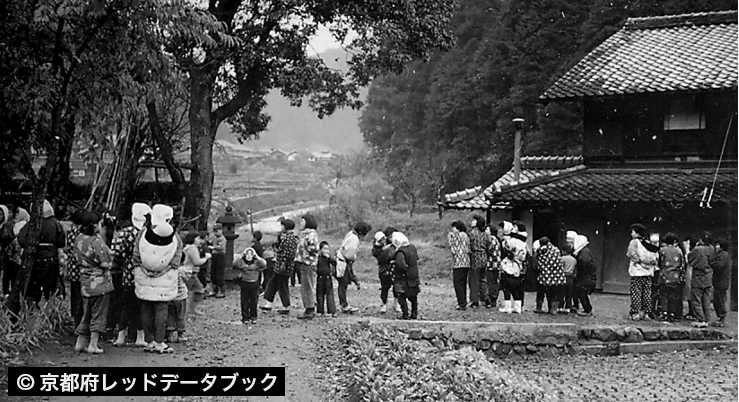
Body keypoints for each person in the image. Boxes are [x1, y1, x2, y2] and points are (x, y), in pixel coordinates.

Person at [133, 205, 182, 354]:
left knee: (146, 307)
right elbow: (176, 260)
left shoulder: (142, 234)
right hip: (165, 279)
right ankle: (160, 342)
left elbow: (136, 256)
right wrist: (163, 270)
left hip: (144, 277)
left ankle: (149, 341)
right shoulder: (174, 237)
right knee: (161, 309)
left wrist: (145, 270)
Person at [73, 211, 114, 354]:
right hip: (100, 283)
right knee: (99, 314)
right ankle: (93, 344)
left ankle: (80, 342)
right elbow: (106, 261)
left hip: (84, 282)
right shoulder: (97, 242)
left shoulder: (78, 239)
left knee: (86, 313)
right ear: (95, 225)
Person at [110, 203, 150, 347]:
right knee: (141, 305)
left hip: (128, 273)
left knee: (126, 305)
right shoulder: (148, 232)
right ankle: (140, 336)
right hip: (145, 273)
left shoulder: (126, 232)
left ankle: (121, 336)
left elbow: (116, 251)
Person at [18, 200, 66, 304]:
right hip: (51, 259)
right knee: (50, 287)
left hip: (35, 259)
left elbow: (21, 239)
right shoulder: (56, 223)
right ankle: (50, 307)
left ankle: (33, 306)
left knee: (34, 287)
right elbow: (61, 242)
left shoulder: (32, 224)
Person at [262, 219, 297, 314]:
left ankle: (285, 306)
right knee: (273, 284)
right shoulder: (289, 238)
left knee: (281, 286)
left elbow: (288, 254)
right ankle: (268, 303)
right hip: (282, 266)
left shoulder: (289, 239)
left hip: (283, 266)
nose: (281, 228)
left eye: (282, 226)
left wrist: (283, 263)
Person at [626, 223, 658, 320]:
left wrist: (640, 261)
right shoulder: (648, 243)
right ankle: (646, 313)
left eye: (633, 231)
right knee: (647, 293)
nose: (631, 233)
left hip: (637, 271)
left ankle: (635, 312)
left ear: (637, 233)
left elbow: (630, 253)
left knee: (636, 292)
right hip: (648, 272)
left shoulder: (634, 242)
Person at [336, 222, 370, 313]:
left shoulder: (350, 234)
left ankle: (343, 304)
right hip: (344, 262)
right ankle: (344, 305)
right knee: (343, 283)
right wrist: (353, 258)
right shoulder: (354, 239)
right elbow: (349, 255)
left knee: (343, 283)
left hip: (341, 259)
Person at [233, 247, 267, 323]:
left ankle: (253, 316)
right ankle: (245, 317)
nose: (249, 256)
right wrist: (240, 256)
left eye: (250, 254)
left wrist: (257, 257)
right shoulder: (242, 263)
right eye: (247, 254)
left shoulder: (257, 264)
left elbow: (264, 263)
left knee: (254, 301)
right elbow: (235, 263)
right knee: (244, 302)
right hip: (245, 283)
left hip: (254, 284)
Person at [498, 221, 526, 314]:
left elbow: (506, 251)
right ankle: (518, 308)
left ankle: (507, 308)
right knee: (516, 287)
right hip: (518, 266)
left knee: (507, 287)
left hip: (508, 265)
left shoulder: (509, 241)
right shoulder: (523, 242)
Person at [295, 214, 319, 319]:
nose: (301, 223)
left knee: (308, 286)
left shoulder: (311, 234)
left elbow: (314, 248)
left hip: (309, 263)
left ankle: (310, 309)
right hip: (304, 263)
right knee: (305, 286)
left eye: (302, 221)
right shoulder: (305, 234)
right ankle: (309, 307)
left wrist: (304, 249)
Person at [688, 232, 714, 328]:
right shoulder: (712, 248)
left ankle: (701, 319)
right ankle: (707, 319)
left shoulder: (697, 249)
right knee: (706, 300)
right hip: (708, 275)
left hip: (698, 276)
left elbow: (690, 259)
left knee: (696, 299)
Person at [182, 231, 212, 316]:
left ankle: (192, 308)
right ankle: (185, 311)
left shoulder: (187, 247)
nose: (199, 240)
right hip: (189, 272)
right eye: (198, 238)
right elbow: (197, 261)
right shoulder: (192, 248)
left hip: (190, 272)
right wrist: (206, 258)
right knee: (186, 292)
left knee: (199, 289)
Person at [657, 232, 685, 323]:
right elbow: (682, 264)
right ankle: (672, 314)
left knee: (663, 295)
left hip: (664, 275)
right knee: (673, 295)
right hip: (675, 276)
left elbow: (659, 262)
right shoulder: (679, 251)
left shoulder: (662, 250)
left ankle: (664, 313)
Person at [534, 237, 566, 314]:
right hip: (557, 276)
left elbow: (538, 263)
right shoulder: (556, 250)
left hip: (544, 276)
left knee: (541, 292)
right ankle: (552, 309)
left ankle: (539, 308)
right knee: (553, 293)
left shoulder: (540, 251)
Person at [392, 232, 419, 320]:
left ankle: (405, 314)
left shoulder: (401, 252)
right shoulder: (412, 247)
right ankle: (414, 313)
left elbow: (401, 265)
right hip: (414, 276)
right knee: (413, 297)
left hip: (403, 278)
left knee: (401, 296)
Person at [468, 215, 494, 308]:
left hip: (475, 258)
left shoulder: (472, 233)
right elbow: (490, 248)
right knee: (483, 280)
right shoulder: (486, 235)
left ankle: (475, 301)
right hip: (484, 257)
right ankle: (486, 300)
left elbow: (469, 246)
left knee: (474, 280)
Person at [372, 229, 398, 314]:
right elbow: (381, 258)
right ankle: (384, 304)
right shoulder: (376, 249)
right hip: (384, 269)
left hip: (393, 268)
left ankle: (396, 304)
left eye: (383, 239)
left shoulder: (390, 244)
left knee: (396, 287)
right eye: (381, 240)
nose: (383, 241)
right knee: (385, 288)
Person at [448, 221, 471, 310]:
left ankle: (461, 303)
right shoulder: (466, 235)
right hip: (466, 262)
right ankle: (463, 301)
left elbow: (452, 249)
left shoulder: (454, 236)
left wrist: (450, 236)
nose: (452, 229)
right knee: (463, 283)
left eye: (454, 227)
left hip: (458, 263)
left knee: (458, 283)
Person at [166, 262, 190, 343]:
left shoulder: (168, 269)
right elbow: (187, 279)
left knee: (170, 315)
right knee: (181, 316)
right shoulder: (181, 270)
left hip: (171, 296)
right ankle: (180, 335)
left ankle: (170, 334)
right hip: (181, 297)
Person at [573, 235, 596, 317]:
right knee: (582, 292)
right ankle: (587, 309)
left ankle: (587, 310)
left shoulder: (583, 252)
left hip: (585, 276)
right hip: (587, 276)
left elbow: (584, 263)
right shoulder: (585, 251)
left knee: (582, 292)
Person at [710, 238, 731, 327]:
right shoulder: (721, 254)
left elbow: (719, 265)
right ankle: (720, 317)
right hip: (719, 281)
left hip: (721, 281)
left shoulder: (723, 255)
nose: (716, 247)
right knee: (717, 300)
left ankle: (722, 318)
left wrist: (711, 263)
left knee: (720, 300)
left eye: (718, 245)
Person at [316, 241, 337, 317]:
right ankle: (320, 310)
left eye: (327, 249)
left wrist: (329, 257)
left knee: (329, 294)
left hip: (328, 277)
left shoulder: (328, 258)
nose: (326, 251)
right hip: (320, 278)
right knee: (320, 295)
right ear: (320, 250)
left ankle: (331, 311)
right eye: (324, 249)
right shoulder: (318, 258)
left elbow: (335, 262)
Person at [485, 224, 502, 309]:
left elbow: (489, 250)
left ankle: (491, 298)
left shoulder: (491, 239)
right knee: (495, 281)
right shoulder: (497, 240)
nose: (486, 231)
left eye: (487, 230)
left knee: (490, 281)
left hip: (491, 263)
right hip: (497, 263)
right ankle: (494, 298)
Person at [0, 205, 16, 297]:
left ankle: (6, 292)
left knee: (7, 274)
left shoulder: (8, 225)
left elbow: (9, 237)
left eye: (1, 214)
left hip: (5, 253)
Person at [210, 224, 227, 298]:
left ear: (221, 230)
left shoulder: (223, 239)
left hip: (220, 256)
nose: (215, 233)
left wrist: (213, 247)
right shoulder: (214, 238)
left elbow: (221, 247)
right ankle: (214, 289)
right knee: (213, 273)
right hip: (214, 256)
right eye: (214, 231)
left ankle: (222, 291)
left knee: (220, 274)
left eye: (217, 231)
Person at [560, 244, 577, 314]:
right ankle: (568, 307)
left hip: (563, 276)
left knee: (561, 293)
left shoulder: (562, 258)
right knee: (569, 293)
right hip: (570, 277)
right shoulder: (574, 260)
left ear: (564, 251)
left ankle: (560, 307)